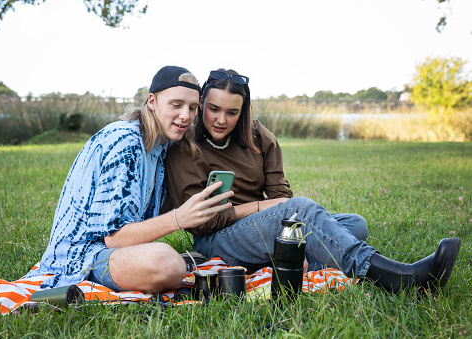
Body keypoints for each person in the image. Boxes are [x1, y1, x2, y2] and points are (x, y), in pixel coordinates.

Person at [164, 68, 461, 293]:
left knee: (355, 224)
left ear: (243, 113)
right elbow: (201, 223)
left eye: (232, 112)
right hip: (220, 240)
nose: (220, 119)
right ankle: (395, 276)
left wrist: (281, 220)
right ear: (202, 103)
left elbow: (281, 193)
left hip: (263, 231)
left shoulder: (257, 136)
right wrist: (260, 207)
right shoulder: (185, 147)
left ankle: (283, 262)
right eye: (213, 109)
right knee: (303, 212)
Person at [25, 66, 234, 293]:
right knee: (167, 263)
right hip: (79, 259)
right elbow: (115, 239)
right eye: (176, 105)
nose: (186, 116)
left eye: (193, 108)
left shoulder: (161, 148)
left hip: (111, 253)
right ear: (152, 101)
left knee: (172, 260)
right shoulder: (125, 142)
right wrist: (179, 218)